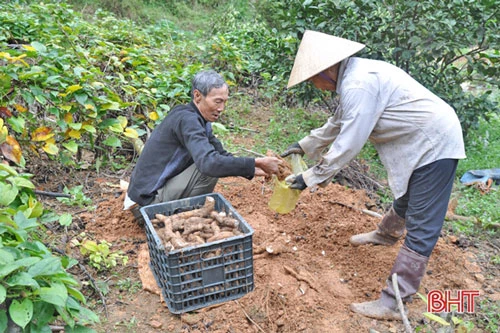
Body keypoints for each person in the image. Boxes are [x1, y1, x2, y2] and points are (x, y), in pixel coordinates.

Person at [281, 30, 465, 320]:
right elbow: (338, 122)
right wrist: (304, 146)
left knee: (421, 227)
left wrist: (311, 177)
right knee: (407, 195)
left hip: (435, 143)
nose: (314, 86)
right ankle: (386, 233)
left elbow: (349, 141)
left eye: (312, 79)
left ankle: (393, 302)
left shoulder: (358, 84)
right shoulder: (353, 78)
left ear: (326, 70)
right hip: (421, 140)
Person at [125, 70, 282, 215]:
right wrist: (256, 161)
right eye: (217, 101)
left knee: (212, 159)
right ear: (198, 96)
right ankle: (181, 215)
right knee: (207, 168)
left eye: (224, 102)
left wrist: (255, 169)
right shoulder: (188, 120)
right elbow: (210, 164)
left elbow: (220, 153)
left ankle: (181, 211)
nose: (221, 108)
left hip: (146, 198)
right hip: (146, 206)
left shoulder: (198, 119)